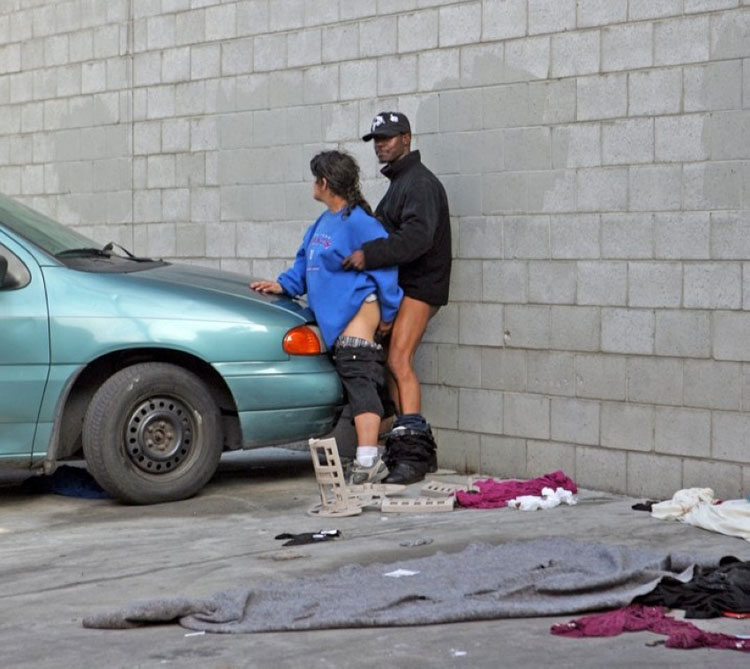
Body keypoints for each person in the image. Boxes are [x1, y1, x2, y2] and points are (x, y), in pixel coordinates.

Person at [251, 150, 402, 484]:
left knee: (358, 377)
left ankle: (368, 461)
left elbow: (385, 264)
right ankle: (381, 448)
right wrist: (282, 285)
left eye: (315, 178)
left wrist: (389, 311)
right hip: (337, 319)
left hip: (359, 311)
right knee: (361, 381)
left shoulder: (360, 222)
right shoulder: (321, 224)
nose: (312, 184)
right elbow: (304, 265)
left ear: (325, 182)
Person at [342, 111, 451, 485]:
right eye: (376, 140)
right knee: (391, 362)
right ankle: (406, 445)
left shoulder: (419, 183)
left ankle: (413, 456)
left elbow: (417, 239)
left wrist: (368, 254)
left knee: (399, 360)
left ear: (407, 138)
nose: (380, 145)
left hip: (421, 286)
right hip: (406, 287)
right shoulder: (401, 182)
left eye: (387, 138)